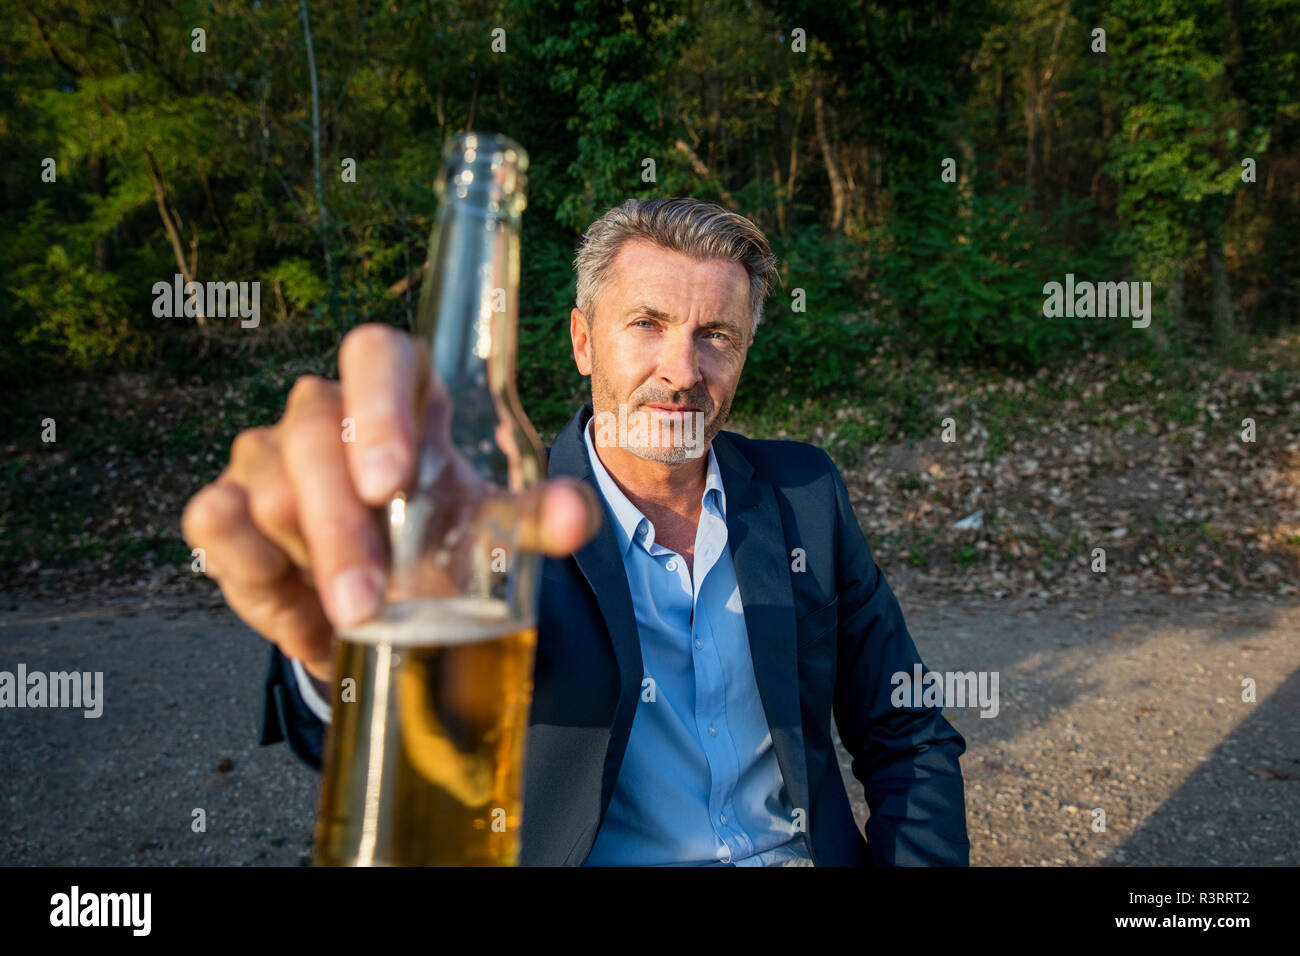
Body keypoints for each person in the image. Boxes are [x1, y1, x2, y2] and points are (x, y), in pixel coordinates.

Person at [182, 197, 970, 866]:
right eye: (648, 324)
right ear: (583, 341)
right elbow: (403, 747)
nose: (682, 369)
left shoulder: (805, 493)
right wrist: (340, 650)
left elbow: (907, 732)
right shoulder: (499, 518)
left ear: (747, 349)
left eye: (715, 336)